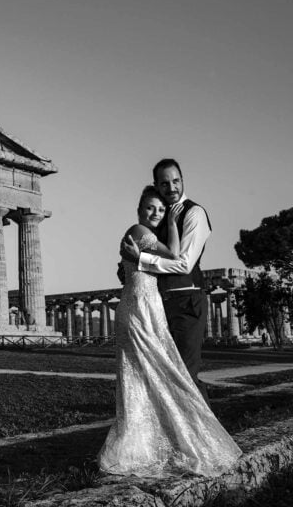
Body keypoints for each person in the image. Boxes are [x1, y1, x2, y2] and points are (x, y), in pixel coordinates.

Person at [98, 185, 241, 477]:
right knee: (154, 372)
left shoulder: (146, 238)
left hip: (147, 304)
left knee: (149, 374)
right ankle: (162, 440)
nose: (155, 213)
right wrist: (174, 222)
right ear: (139, 209)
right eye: (150, 207)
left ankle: (157, 440)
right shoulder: (139, 231)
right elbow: (176, 257)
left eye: (161, 210)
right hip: (139, 306)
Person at [122, 159, 211, 403]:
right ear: (157, 185)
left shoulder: (194, 213)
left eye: (176, 181)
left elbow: (183, 263)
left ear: (182, 180)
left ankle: (207, 438)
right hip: (159, 305)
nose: (171, 187)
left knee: (186, 377)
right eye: (164, 183)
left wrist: (140, 260)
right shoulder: (159, 218)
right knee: (166, 376)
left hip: (186, 299)